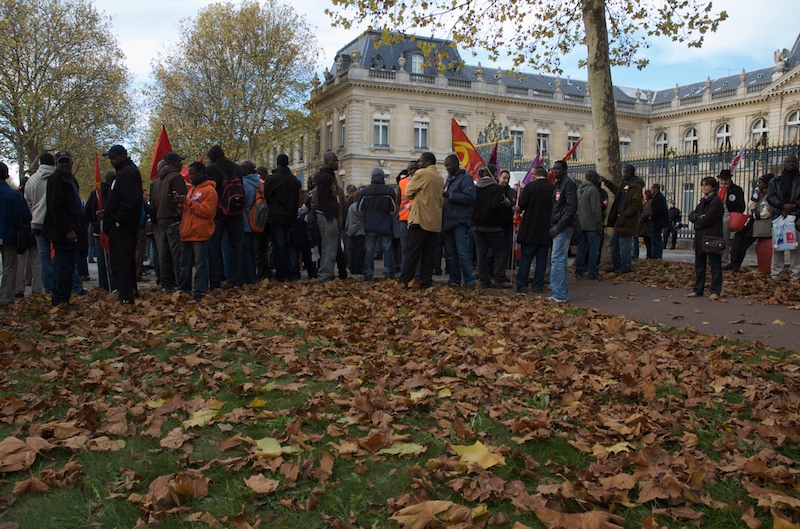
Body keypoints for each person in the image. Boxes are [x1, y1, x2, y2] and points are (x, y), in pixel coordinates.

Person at [103, 144, 144, 305]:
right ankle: (128, 291)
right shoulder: (123, 173)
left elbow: (130, 201)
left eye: (113, 157)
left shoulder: (127, 173)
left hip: (123, 226)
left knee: (122, 261)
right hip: (122, 224)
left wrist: (117, 220)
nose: (111, 161)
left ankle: (126, 295)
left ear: (122, 156)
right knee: (125, 260)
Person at [398, 152, 443, 288]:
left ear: (428, 162)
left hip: (420, 219)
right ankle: (426, 281)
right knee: (429, 255)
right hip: (434, 221)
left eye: (421, 161)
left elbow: (409, 191)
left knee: (412, 252)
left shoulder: (421, 174)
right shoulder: (439, 177)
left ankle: (404, 280)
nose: (418, 164)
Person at [43, 151, 82, 308]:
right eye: (61, 162)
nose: (65, 164)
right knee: (62, 267)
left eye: (67, 161)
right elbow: (55, 208)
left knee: (68, 267)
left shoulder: (70, 179)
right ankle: (60, 300)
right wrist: (68, 229)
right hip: (62, 231)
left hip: (71, 226)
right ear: (56, 164)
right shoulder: (56, 179)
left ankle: (64, 299)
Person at [206, 145, 245, 289]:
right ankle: (238, 281)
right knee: (238, 248)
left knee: (214, 249)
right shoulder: (237, 168)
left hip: (218, 213)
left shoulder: (211, 169)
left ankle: (215, 283)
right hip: (237, 212)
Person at [179, 162, 218, 299]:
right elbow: (187, 210)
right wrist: (179, 204)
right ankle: (184, 289)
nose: (190, 176)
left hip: (200, 233)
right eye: (189, 173)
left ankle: (200, 290)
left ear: (201, 172)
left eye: (193, 173)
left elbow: (207, 211)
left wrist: (187, 202)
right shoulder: (191, 190)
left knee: (201, 264)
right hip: (187, 232)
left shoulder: (209, 190)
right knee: (185, 264)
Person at [151, 151, 187, 291]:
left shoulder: (158, 182)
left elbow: (153, 204)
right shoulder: (176, 177)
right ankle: (181, 284)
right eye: (179, 161)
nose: (181, 163)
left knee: (164, 255)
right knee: (178, 255)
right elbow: (180, 200)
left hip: (162, 221)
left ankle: (166, 284)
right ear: (173, 162)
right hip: (174, 219)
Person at [515, 168, 555, 294]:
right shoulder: (553, 188)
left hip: (530, 229)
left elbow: (522, 205)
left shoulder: (530, 187)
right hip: (545, 230)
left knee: (526, 259)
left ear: (536, 176)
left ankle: (522, 285)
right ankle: (537, 286)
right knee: (542, 260)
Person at [472, 166, 512, 288]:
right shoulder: (496, 188)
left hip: (477, 224)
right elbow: (495, 205)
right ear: (495, 174)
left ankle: (484, 279)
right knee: (501, 252)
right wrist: (506, 204)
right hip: (492, 225)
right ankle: (499, 277)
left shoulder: (476, 187)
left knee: (481, 253)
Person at [263, 154, 301, 282]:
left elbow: (265, 196)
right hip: (290, 217)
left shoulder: (273, 179)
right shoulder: (293, 180)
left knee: (279, 246)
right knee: (288, 246)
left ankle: (282, 273)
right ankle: (291, 273)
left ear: (277, 163)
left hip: (276, 217)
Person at [441, 154, 476, 288]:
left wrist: (450, 195)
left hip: (459, 220)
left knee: (462, 252)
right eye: (445, 166)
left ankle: (469, 281)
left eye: (448, 165)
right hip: (447, 220)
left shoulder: (466, 179)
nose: (447, 168)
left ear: (456, 164)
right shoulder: (449, 180)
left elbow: (470, 198)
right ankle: (455, 279)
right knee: (450, 254)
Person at [603, 165, 644, 274]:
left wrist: (625, 214)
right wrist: (607, 183)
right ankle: (616, 264)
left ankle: (626, 265)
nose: (623, 174)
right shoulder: (624, 184)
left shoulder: (636, 186)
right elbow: (618, 192)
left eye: (624, 172)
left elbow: (636, 204)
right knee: (614, 242)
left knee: (625, 243)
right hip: (619, 218)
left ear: (629, 173)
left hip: (627, 220)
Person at [728, 173, 774, 271]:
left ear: (766, 184)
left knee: (744, 242)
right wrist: (756, 195)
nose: (758, 185)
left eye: (760, 183)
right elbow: (751, 206)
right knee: (738, 236)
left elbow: (767, 212)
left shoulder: (770, 194)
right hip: (754, 220)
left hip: (762, 223)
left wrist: (755, 215)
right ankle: (733, 262)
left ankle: (736, 264)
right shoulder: (760, 193)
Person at [25, 153, 56, 295]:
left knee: (44, 258)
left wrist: (35, 213)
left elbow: (28, 202)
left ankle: (48, 289)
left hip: (37, 222)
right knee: (60, 255)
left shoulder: (32, 180)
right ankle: (63, 286)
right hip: (55, 223)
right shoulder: (58, 177)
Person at [688, 176, 723, 300]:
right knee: (699, 265)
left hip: (712, 236)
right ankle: (698, 289)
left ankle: (715, 290)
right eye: (702, 185)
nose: (704, 187)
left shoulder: (716, 201)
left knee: (715, 265)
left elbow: (709, 218)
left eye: (707, 185)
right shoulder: (703, 201)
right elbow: (692, 215)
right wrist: (698, 217)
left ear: (713, 187)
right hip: (700, 237)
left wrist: (698, 222)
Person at [547, 160, 578, 303]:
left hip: (563, 226)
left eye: (558, 168)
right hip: (558, 224)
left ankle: (559, 294)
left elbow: (571, 207)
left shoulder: (568, 183)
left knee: (557, 259)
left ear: (564, 170)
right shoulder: (558, 184)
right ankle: (561, 292)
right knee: (559, 260)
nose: (555, 171)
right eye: (554, 168)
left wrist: (558, 226)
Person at [1, 163, 31, 305]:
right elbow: (26, 216)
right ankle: (6, 297)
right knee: (9, 267)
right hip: (10, 235)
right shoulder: (16, 196)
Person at [766, 153, 800, 280]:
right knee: (777, 247)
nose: (791, 164)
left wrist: (794, 206)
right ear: (784, 164)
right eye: (788, 162)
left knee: (796, 248)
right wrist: (782, 206)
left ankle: (795, 275)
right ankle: (776, 274)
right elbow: (770, 196)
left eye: (793, 161)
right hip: (779, 217)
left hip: (796, 217)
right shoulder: (775, 181)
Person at [360, 167, 397, 280]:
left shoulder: (365, 191)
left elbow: (360, 209)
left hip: (370, 224)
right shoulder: (389, 190)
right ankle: (388, 273)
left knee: (370, 249)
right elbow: (393, 209)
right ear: (383, 178)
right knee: (387, 248)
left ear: (372, 177)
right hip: (385, 224)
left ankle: (368, 273)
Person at [311, 152, 342, 283]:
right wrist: (329, 214)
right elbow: (323, 198)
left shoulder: (328, 176)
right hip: (326, 215)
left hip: (328, 214)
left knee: (330, 246)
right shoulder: (325, 177)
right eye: (334, 161)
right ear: (327, 161)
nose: (337, 163)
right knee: (329, 246)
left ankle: (327, 272)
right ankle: (325, 275)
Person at [84, 170, 115, 291]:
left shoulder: (95, 193)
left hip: (98, 230)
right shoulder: (113, 193)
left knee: (101, 262)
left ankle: (103, 285)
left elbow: (86, 211)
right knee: (111, 260)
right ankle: (113, 285)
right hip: (109, 230)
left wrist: (94, 221)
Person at [575, 170, 603, 280]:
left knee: (581, 249)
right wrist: (599, 225)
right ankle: (592, 271)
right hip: (591, 224)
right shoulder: (593, 190)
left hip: (581, 223)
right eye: (596, 177)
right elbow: (596, 209)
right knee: (593, 250)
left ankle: (579, 270)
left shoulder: (579, 189)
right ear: (592, 178)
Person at [718, 169, 746, 268]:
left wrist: (734, 215)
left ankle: (724, 261)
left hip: (728, 215)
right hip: (716, 215)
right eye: (722, 180)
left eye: (726, 180)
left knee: (725, 239)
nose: (724, 182)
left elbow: (741, 206)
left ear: (730, 179)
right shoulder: (716, 189)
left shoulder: (736, 190)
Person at [397, 161, 417, 272]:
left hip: (416, 220)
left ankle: (416, 274)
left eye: (414, 169)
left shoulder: (422, 182)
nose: (412, 171)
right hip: (404, 219)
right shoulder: (402, 183)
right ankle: (406, 273)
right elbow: (398, 200)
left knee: (414, 249)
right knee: (405, 249)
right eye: (410, 169)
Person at [649, 183, 669, 259]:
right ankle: (656, 255)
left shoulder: (657, 198)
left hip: (657, 222)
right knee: (656, 238)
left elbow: (656, 211)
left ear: (655, 189)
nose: (651, 190)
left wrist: (651, 219)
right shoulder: (659, 197)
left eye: (652, 188)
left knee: (656, 239)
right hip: (659, 221)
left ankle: (656, 255)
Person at [639, 189, 653, 259]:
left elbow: (645, 213)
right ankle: (649, 254)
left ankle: (649, 255)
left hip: (646, 225)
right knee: (647, 241)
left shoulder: (649, 203)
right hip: (646, 225)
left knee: (648, 241)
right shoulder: (647, 203)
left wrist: (640, 220)